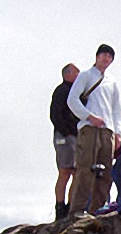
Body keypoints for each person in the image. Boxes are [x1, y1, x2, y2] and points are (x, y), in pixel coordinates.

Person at [67, 44, 121, 216]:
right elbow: (72, 100)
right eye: (103, 55)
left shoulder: (111, 82)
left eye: (109, 56)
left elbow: (116, 108)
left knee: (105, 172)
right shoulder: (85, 76)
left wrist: (118, 132)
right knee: (86, 169)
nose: (106, 59)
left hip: (107, 131)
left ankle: (97, 209)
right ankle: (77, 209)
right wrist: (89, 116)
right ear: (97, 56)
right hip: (89, 128)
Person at [49, 63, 80, 220]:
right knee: (65, 171)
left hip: (75, 136)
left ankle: (70, 206)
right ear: (68, 74)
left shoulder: (75, 93)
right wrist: (66, 131)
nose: (78, 75)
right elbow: (55, 114)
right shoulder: (62, 91)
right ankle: (60, 207)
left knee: (76, 171)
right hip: (64, 136)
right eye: (76, 72)